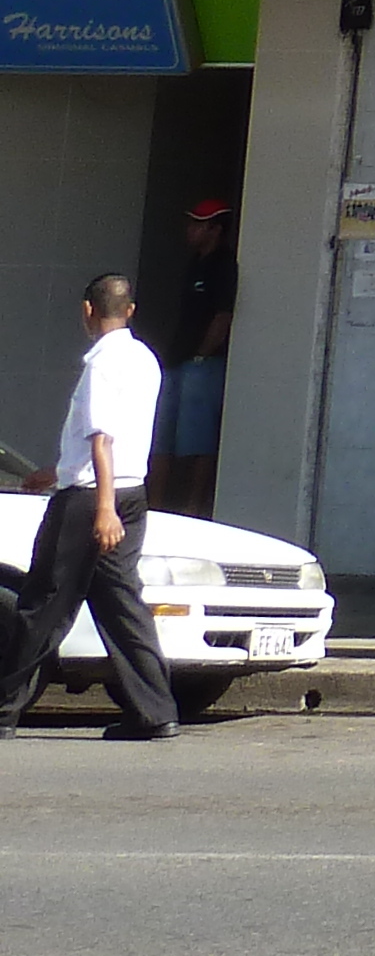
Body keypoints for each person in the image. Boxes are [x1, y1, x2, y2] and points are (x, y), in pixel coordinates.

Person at [0, 273, 180, 741]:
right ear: (131, 311)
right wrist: (56, 471)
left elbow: (102, 440)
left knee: (41, 604)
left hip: (91, 501)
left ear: (87, 311)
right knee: (121, 605)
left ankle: (3, 709)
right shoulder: (144, 359)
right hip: (131, 492)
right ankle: (156, 711)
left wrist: (102, 509)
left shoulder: (101, 364)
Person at [154, 200, 236, 519]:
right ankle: (157, 505)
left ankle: (192, 505)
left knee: (197, 436)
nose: (191, 229)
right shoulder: (193, 263)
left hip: (203, 364)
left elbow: (223, 313)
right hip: (177, 360)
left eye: (199, 224)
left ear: (215, 229)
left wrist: (203, 353)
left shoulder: (223, 264)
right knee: (163, 434)